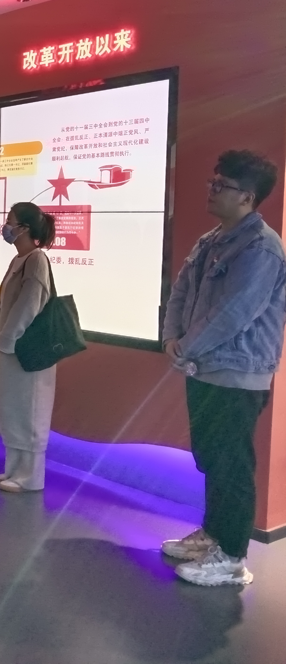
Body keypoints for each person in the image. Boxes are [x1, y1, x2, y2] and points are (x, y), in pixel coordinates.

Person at [160, 150, 285, 587]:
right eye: (212, 183)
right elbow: (180, 292)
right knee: (212, 457)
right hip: (202, 366)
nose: (211, 191)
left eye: (221, 186)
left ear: (247, 197)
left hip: (237, 373)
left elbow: (235, 312)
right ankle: (213, 535)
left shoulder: (262, 248)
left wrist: (186, 346)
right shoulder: (211, 240)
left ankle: (232, 557)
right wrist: (171, 338)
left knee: (232, 463)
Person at [0, 202, 58, 494]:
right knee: (13, 408)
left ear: (25, 228)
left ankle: (30, 476)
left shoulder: (37, 259)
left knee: (29, 410)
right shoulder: (19, 259)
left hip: (25, 349)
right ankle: (15, 468)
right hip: (10, 349)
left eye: (11, 221)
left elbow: (29, 305)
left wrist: (8, 339)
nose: (6, 227)